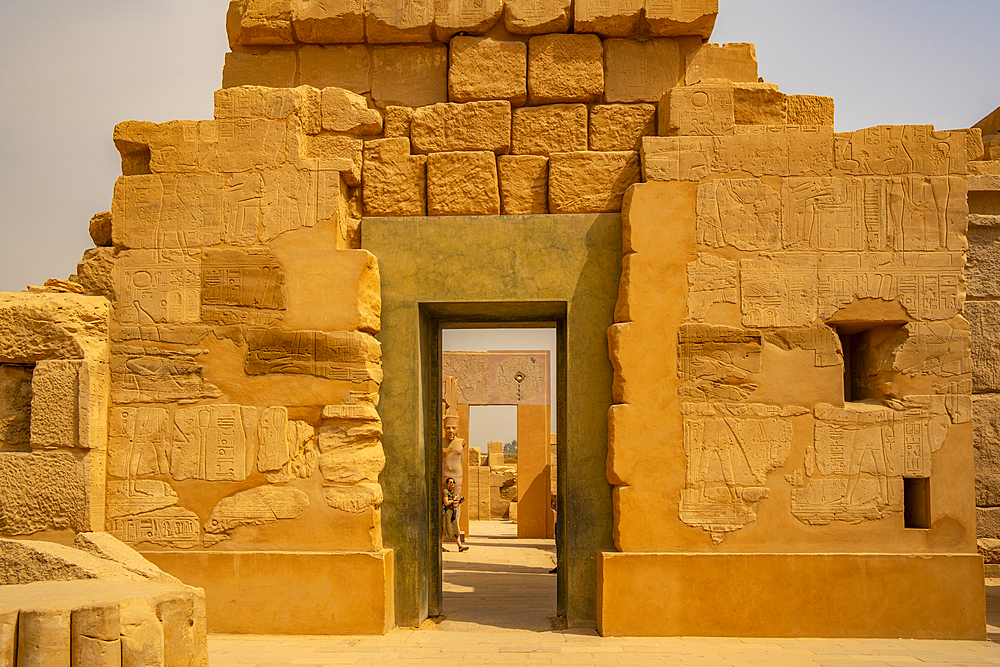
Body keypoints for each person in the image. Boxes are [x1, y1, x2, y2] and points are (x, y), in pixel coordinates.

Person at [442, 477, 468, 552]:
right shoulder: (445, 492)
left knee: (456, 530)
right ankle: (439, 546)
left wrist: (459, 501)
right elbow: (446, 503)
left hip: (452, 512)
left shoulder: (452, 492)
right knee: (445, 531)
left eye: (453, 482)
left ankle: (460, 546)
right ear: (447, 483)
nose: (452, 484)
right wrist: (454, 499)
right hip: (447, 513)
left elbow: (454, 504)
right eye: (450, 482)